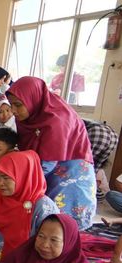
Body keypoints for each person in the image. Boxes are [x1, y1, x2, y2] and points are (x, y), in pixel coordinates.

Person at [7, 76, 96, 229]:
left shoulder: (57, 119)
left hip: (71, 169)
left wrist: (17, 180)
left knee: (61, 222)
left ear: (32, 99)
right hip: (42, 169)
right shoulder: (27, 116)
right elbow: (27, 153)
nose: (13, 111)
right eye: (11, 105)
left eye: (18, 105)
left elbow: (47, 163)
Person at [0, 150, 59, 260]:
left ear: (23, 175)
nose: (0, 183)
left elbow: (52, 246)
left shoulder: (43, 207)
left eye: (6, 178)